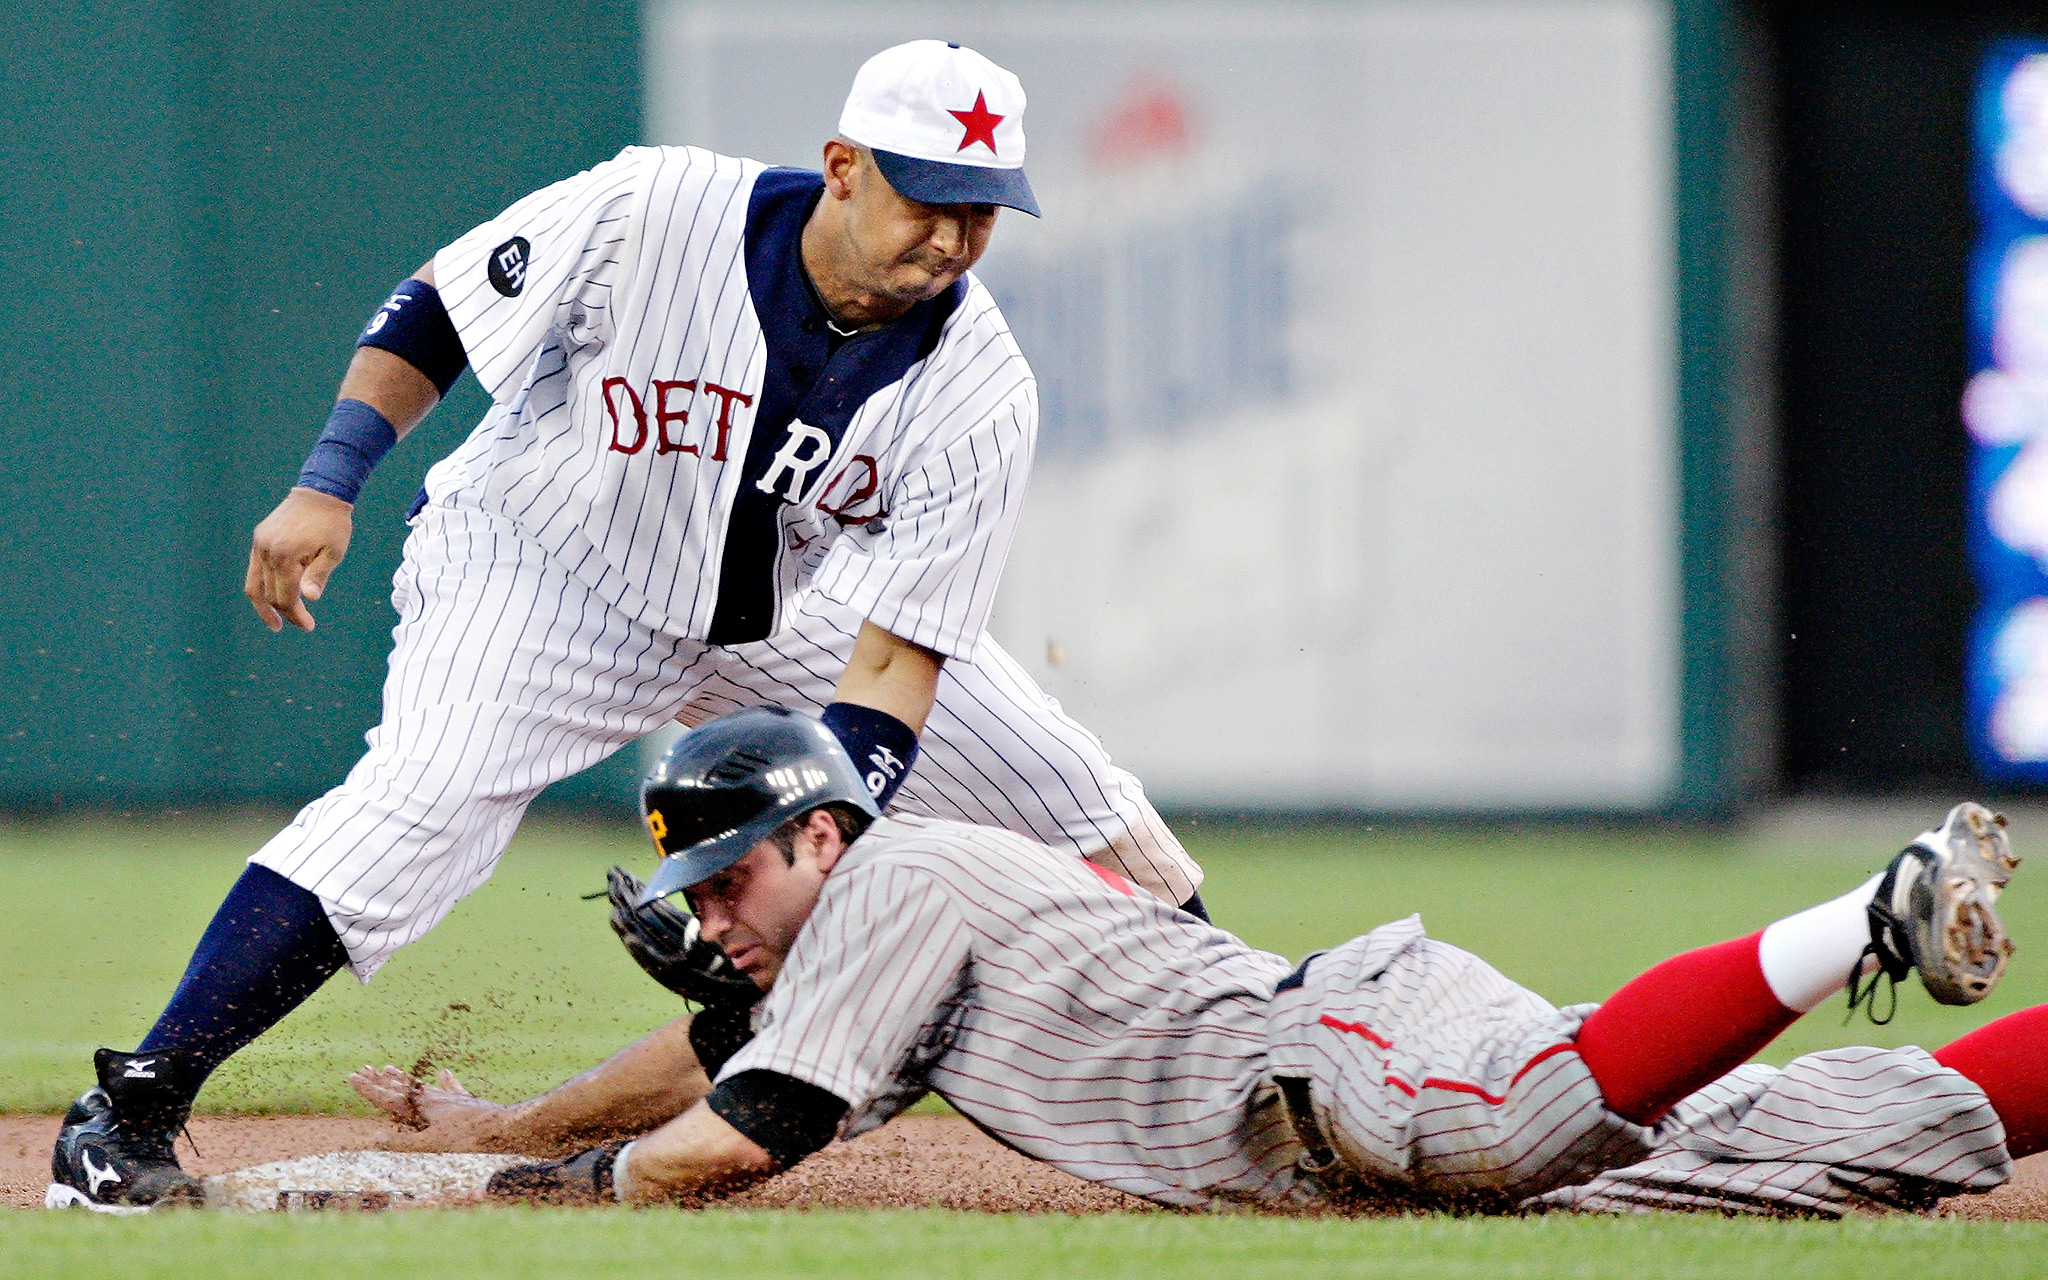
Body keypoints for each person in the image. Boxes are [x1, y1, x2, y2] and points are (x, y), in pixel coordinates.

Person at [46, 40, 1205, 1213]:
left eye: (982, 210)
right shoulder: (656, 207)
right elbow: (442, 306)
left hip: (779, 613)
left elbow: (895, 666)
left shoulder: (978, 386)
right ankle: (128, 1109)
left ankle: (1245, 1064)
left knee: (1065, 792)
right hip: (547, 570)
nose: (953, 238)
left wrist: (817, 850)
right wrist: (328, 478)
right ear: (843, 167)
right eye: (929, 198)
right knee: (426, 796)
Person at [353, 708, 2032, 1216]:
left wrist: (528, 1192)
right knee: (1848, 1148)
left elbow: (727, 1138)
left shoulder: (902, 879)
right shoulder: (861, 964)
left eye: (726, 873)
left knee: (1513, 1116)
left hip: (1342, 1052)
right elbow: (724, 1068)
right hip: (1347, 1131)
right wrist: (501, 1118)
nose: (706, 913)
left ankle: (1861, 916)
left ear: (818, 838)